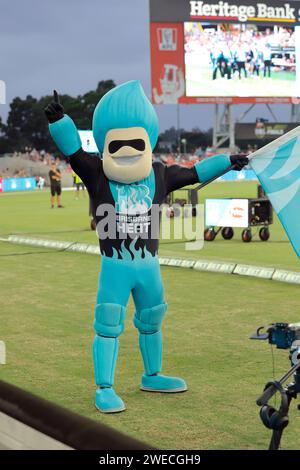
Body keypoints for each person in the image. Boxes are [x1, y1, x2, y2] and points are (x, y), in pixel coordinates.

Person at [45, 83, 248, 413]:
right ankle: (105, 387)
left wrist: (229, 160)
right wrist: (59, 121)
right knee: (109, 323)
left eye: (134, 141)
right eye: (118, 142)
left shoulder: (160, 173)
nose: (126, 149)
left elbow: (196, 172)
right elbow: (74, 153)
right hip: (115, 266)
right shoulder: (96, 172)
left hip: (148, 264)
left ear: (147, 139)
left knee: (153, 317)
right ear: (105, 142)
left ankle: (152, 374)